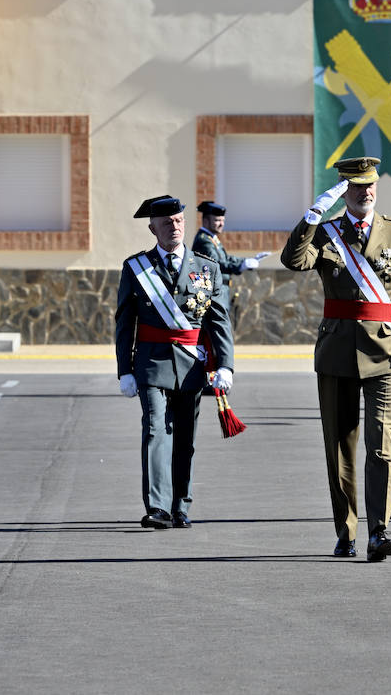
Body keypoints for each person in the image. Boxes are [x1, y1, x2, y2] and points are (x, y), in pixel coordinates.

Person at [281, 156, 391, 562]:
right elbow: (293, 260)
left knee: (380, 446)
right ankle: (346, 531)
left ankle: (378, 532)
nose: (367, 192)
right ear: (344, 190)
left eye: (371, 185)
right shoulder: (327, 233)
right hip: (337, 352)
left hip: (385, 354)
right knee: (340, 447)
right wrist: (312, 214)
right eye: (358, 186)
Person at [114, 195, 234, 530]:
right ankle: (158, 507)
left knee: (185, 438)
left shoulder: (206, 267)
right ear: (153, 228)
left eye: (179, 221)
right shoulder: (136, 268)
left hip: (192, 365)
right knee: (155, 431)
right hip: (151, 364)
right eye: (167, 223)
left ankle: (181, 505)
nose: (174, 228)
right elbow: (124, 323)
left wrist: (225, 364)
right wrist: (125, 369)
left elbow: (219, 320)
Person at [191, 200, 269, 290]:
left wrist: (246, 261)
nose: (222, 224)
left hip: (219, 289)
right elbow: (216, 263)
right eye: (217, 220)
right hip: (212, 290)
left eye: (223, 220)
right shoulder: (204, 240)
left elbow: (226, 258)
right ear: (205, 221)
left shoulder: (211, 238)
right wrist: (240, 266)